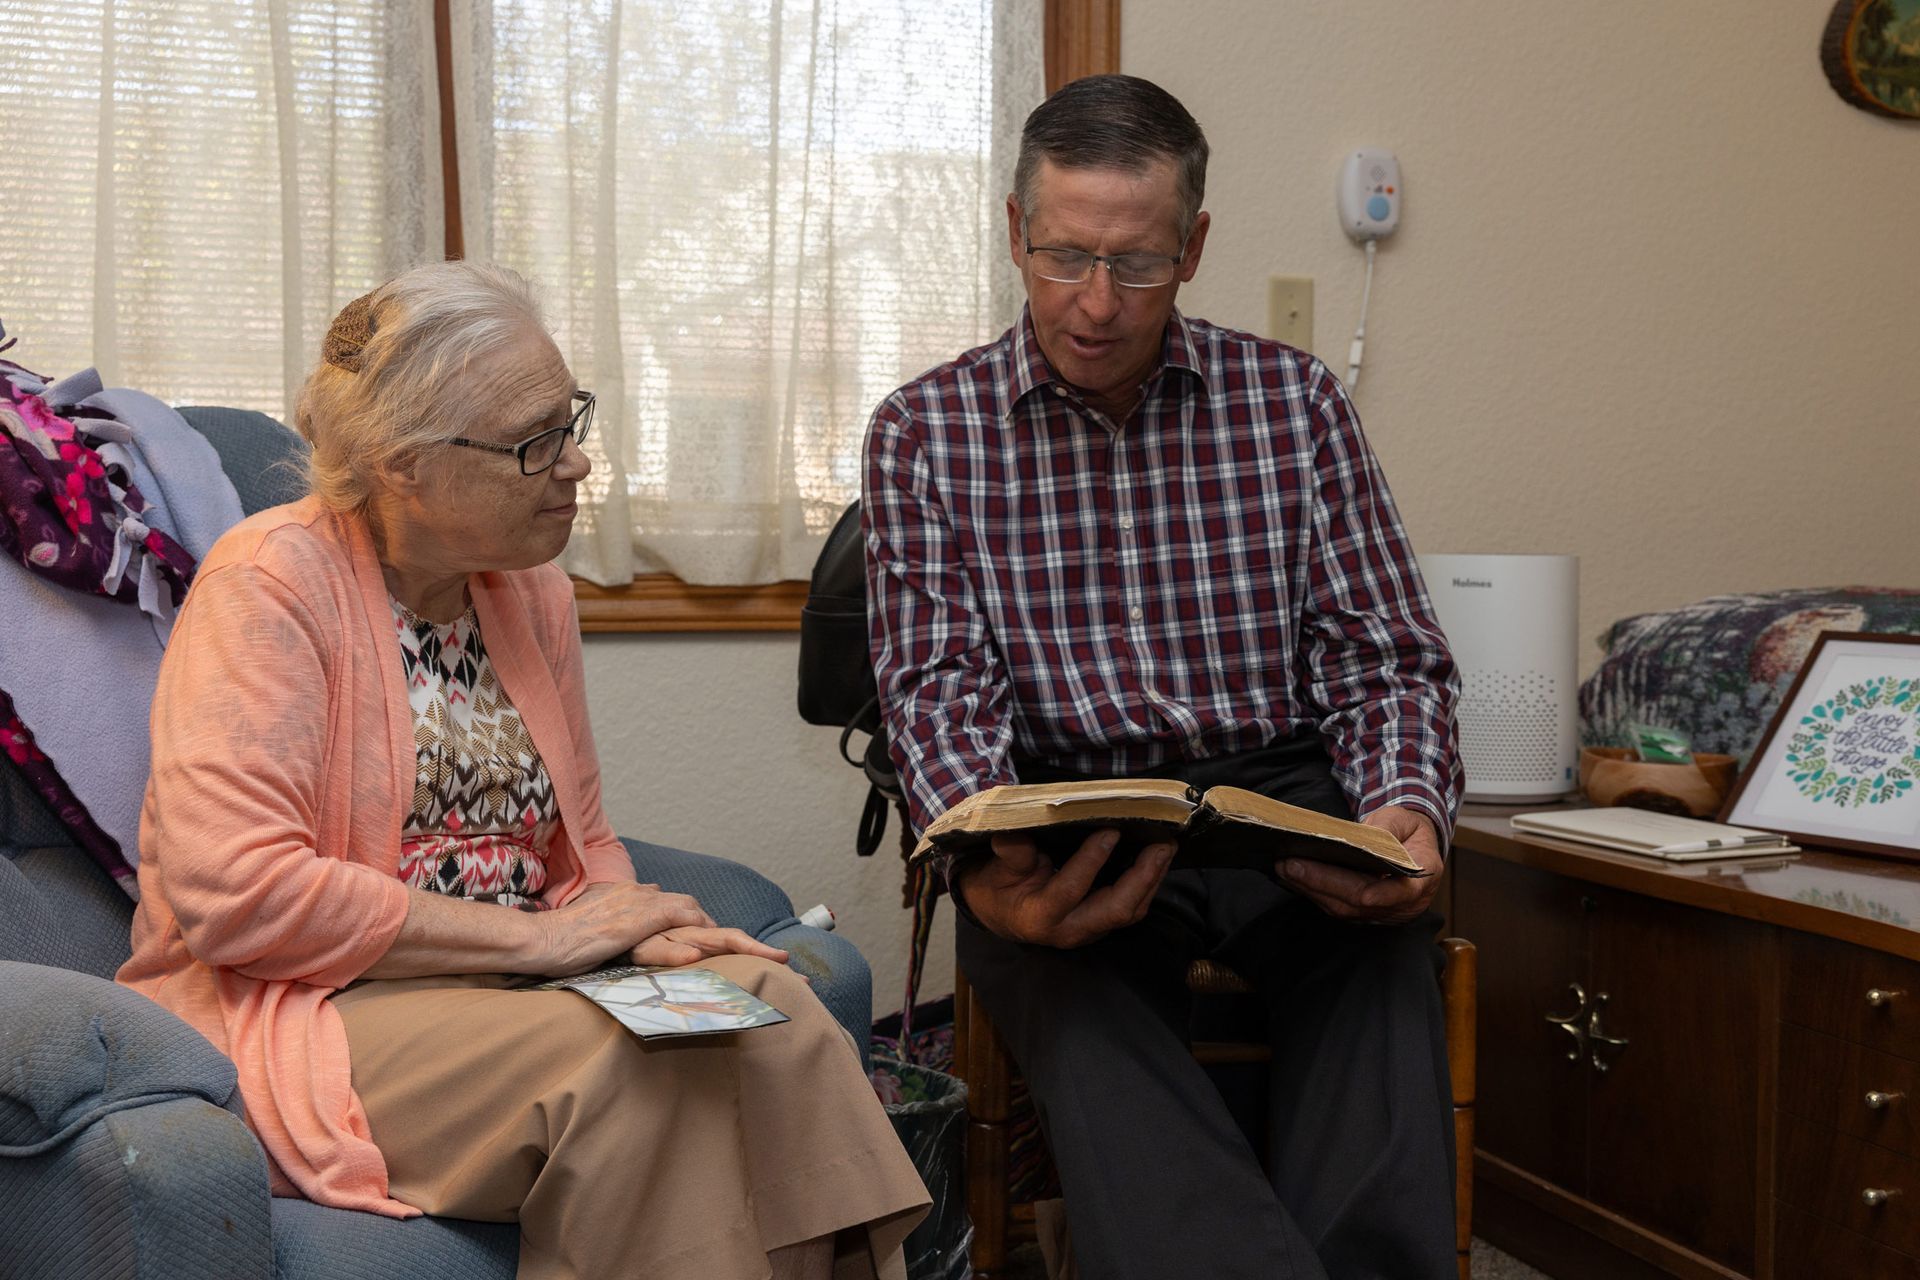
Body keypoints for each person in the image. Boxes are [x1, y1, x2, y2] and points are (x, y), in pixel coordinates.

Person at [118, 260, 929, 1280]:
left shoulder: (530, 590)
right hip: (316, 1000)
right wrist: (545, 940)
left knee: (782, 1018)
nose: (578, 462)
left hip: (521, 980)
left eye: (571, 418)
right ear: (406, 463)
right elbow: (237, 898)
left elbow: (579, 845)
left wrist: (643, 929)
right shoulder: (266, 588)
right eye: (534, 441)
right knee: (632, 1069)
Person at [863, 75, 1462, 1279]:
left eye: (1134, 265)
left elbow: (1386, 655)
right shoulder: (926, 429)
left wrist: (1405, 810)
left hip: (1275, 780)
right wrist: (984, 863)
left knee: (1382, 947)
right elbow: (934, 686)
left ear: (1193, 246)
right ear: (1014, 232)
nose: (1093, 304)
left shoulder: (1294, 404)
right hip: (1066, 796)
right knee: (1054, 968)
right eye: (1064, 256)